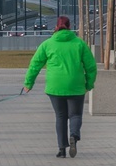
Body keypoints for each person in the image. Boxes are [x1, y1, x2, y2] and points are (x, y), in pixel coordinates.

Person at [23, 16, 98, 158]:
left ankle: (62, 149)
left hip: (55, 85)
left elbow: (35, 65)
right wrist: (89, 83)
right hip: (76, 85)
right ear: (69, 27)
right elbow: (91, 67)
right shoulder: (79, 44)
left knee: (60, 116)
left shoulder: (47, 44)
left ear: (56, 27)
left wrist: (28, 84)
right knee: (75, 115)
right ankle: (74, 136)